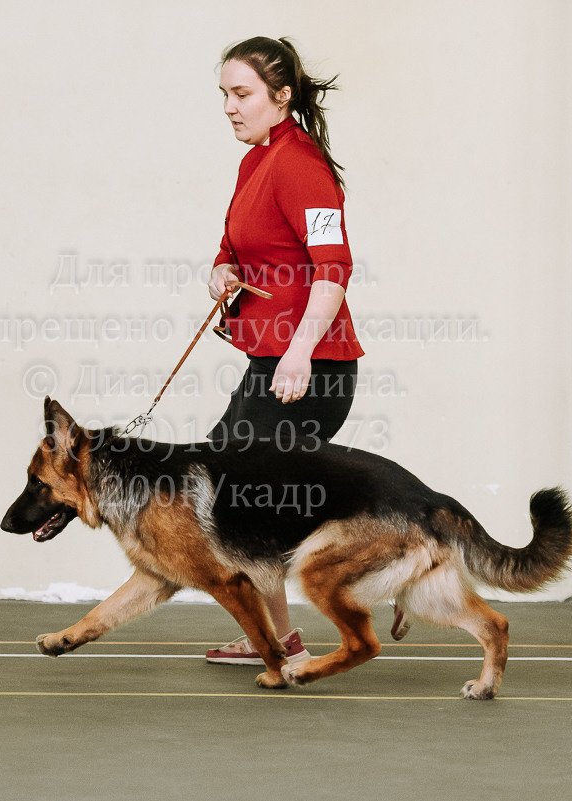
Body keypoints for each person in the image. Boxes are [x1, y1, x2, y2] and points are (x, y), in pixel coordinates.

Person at [203, 37, 364, 666]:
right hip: (269, 363)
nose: (229, 107)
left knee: (244, 498)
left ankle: (290, 634)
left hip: (311, 370)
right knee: (223, 488)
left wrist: (299, 353)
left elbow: (333, 269)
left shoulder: (301, 165)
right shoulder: (255, 162)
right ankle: (274, 637)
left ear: (282, 97)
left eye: (240, 94)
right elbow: (233, 243)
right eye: (224, 94)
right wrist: (221, 270)